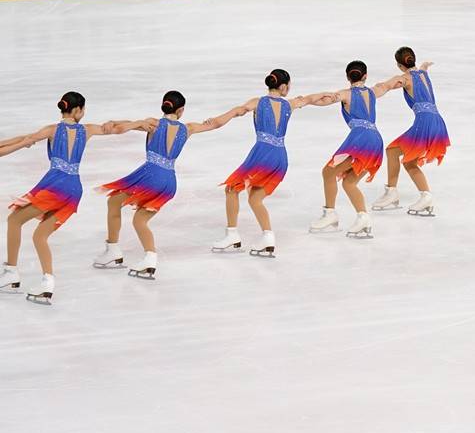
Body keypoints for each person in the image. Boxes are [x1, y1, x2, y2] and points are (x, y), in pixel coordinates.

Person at [92, 91, 242, 278]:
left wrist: (112, 122)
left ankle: (117, 251)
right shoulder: (188, 128)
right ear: (181, 110)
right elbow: (216, 123)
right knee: (139, 220)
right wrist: (235, 111)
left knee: (114, 202)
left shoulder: (153, 124)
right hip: (168, 181)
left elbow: (125, 126)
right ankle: (147, 258)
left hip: (149, 176)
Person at [0, 93, 123, 303]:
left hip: (56, 185)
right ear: (77, 111)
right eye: (83, 109)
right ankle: (47, 283)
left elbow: (25, 140)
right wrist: (136, 123)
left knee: (14, 220)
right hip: (74, 189)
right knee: (40, 236)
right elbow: (113, 128)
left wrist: (18, 143)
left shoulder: (52, 130)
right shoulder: (87, 130)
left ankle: (11, 273)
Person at [211, 70, 329, 257]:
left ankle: (232, 236)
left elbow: (238, 111)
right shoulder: (290, 104)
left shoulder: (258, 102)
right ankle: (268, 238)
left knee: (232, 189)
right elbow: (309, 99)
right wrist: (328, 94)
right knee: (255, 199)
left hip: (262, 154)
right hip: (280, 157)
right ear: (283, 87)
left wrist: (215, 121)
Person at [307, 61, 403, 238]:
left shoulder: (345, 94)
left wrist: (304, 101)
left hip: (361, 139)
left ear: (347, 76)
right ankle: (363, 218)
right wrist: (414, 72)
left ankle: (330, 214)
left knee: (328, 173)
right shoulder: (374, 91)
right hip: (375, 140)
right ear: (365, 76)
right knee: (349, 183)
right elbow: (391, 84)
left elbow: (324, 101)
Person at [370, 47, 451, 216]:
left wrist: (369, 93)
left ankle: (400, 194)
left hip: (425, 123)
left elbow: (385, 86)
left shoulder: (404, 78)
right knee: (398, 155)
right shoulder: (423, 74)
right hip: (437, 121)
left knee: (398, 155)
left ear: (399, 65)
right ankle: (417, 195)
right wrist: (424, 66)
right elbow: (422, 70)